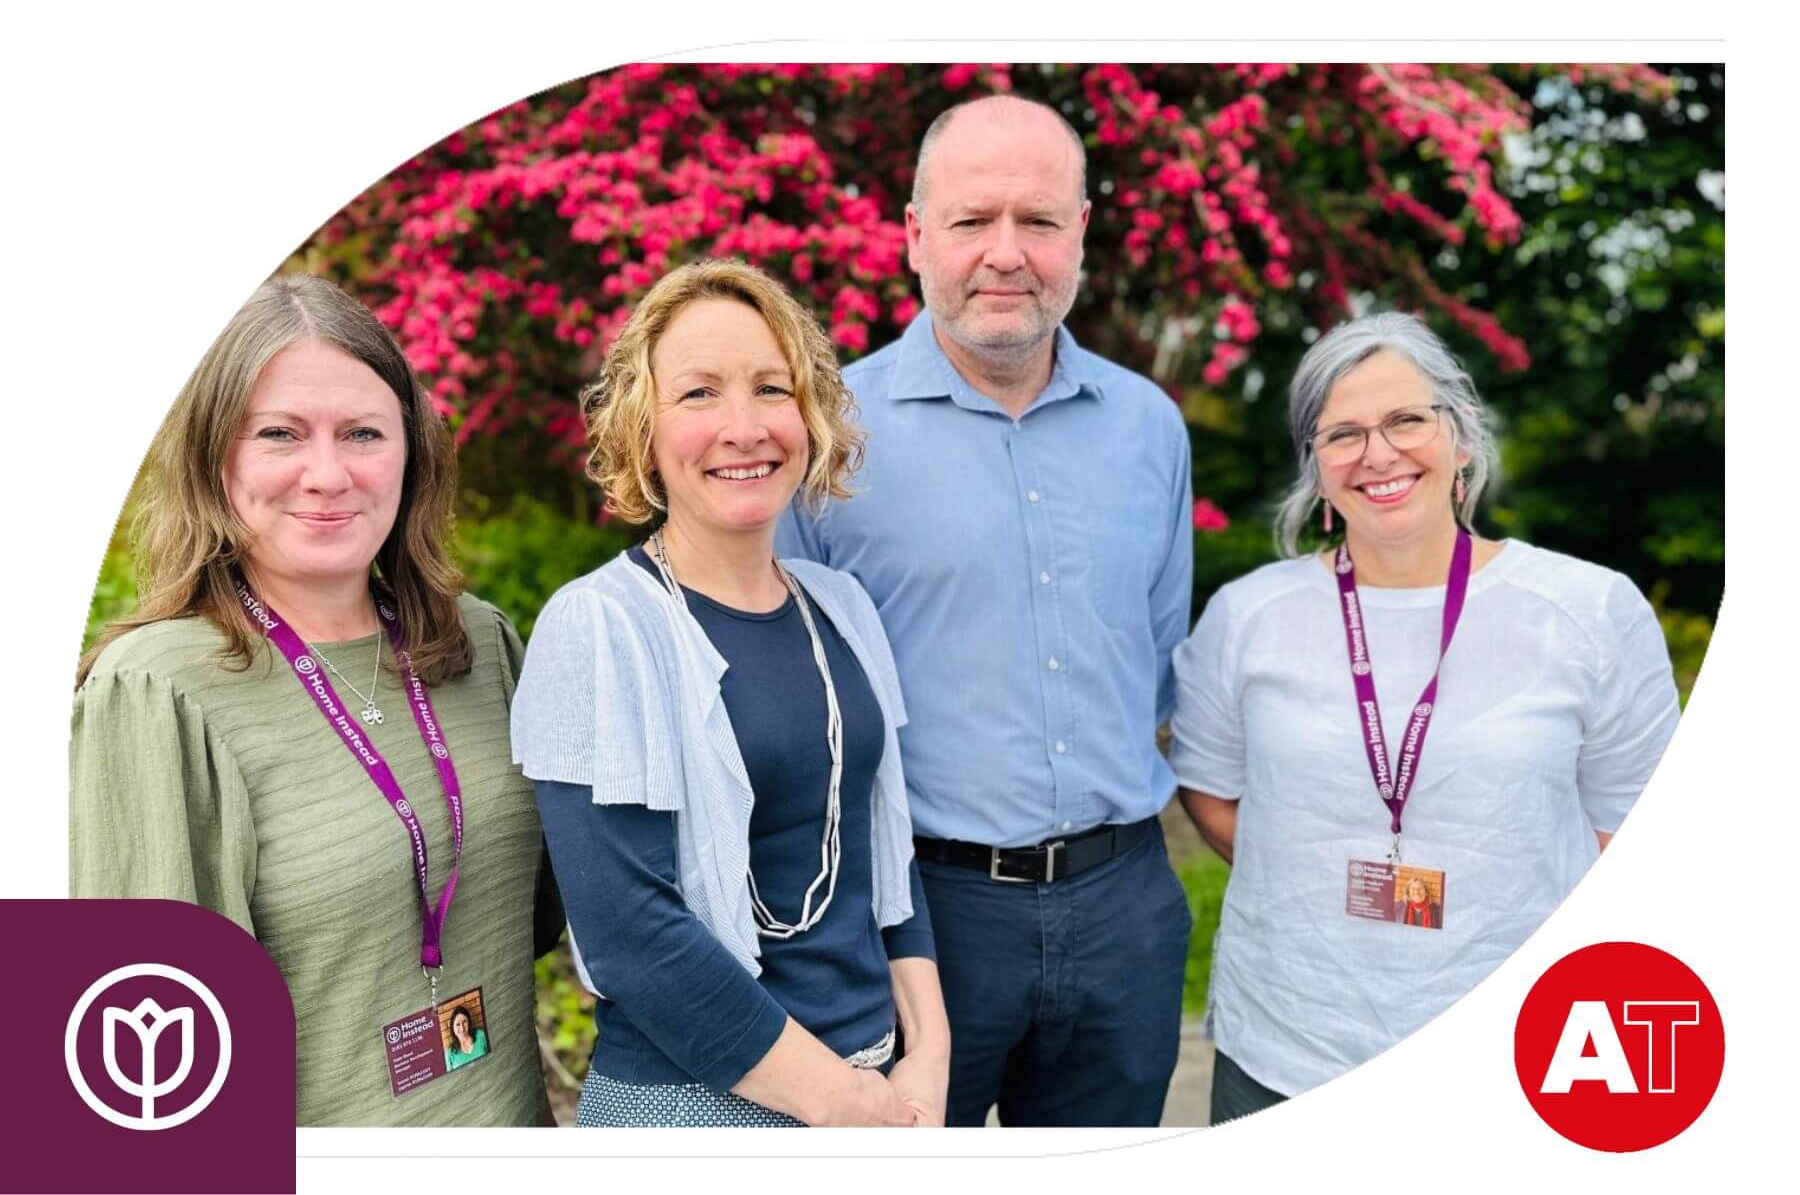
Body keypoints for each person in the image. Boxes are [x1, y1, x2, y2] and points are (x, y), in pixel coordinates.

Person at [776, 95, 1196, 1127]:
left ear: (1081, 234)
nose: (1006, 253)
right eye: (972, 221)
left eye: (1039, 222)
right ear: (916, 234)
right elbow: (791, 698)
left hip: (1124, 904)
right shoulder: (827, 437)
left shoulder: (1150, 427)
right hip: (918, 915)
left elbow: (1158, 653)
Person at [70, 275, 561, 1127]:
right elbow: (127, 1101)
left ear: (412, 454)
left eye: (364, 433)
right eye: (280, 434)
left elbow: (538, 915)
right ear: (215, 460)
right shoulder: (153, 691)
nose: (327, 474)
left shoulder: (479, 643)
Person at [1171, 311, 1681, 1124]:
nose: (1379, 454)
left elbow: (1636, 828)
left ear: (1463, 436)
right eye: (1343, 433)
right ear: (1318, 468)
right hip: (1285, 1052)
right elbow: (1210, 788)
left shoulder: (1587, 610)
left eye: (1407, 419)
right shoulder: (1247, 617)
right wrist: (1310, 867)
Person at [512, 258, 950, 1128]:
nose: (742, 427)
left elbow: (882, 848)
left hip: (877, 1085)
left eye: (770, 389)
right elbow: (632, 939)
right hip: (698, 1105)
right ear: (644, 429)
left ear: (811, 414)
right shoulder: (598, 627)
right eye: (699, 394)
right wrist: (843, 1104)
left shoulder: (844, 610)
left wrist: (930, 1055)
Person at [446, 1005, 490, 1070]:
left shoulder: (481, 1035)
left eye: (464, 1022)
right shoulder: (450, 1053)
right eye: (458, 1024)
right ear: (452, 1028)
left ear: (469, 1022)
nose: (462, 1028)